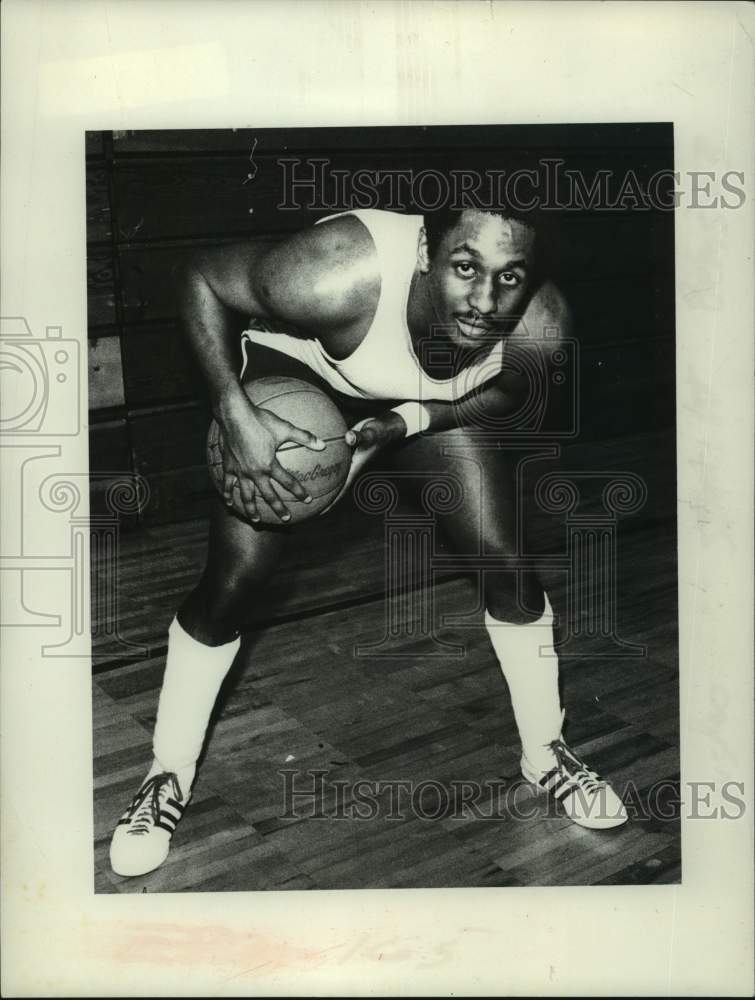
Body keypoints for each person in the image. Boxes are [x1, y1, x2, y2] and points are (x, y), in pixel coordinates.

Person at [109, 203, 628, 878]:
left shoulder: (540, 323)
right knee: (235, 580)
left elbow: (502, 395)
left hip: (406, 404)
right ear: (423, 252)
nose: (483, 300)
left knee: (507, 565)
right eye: (465, 267)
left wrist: (403, 422)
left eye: (509, 277)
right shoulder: (333, 273)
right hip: (302, 376)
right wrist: (233, 412)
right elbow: (202, 278)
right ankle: (166, 774)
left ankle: (546, 754)